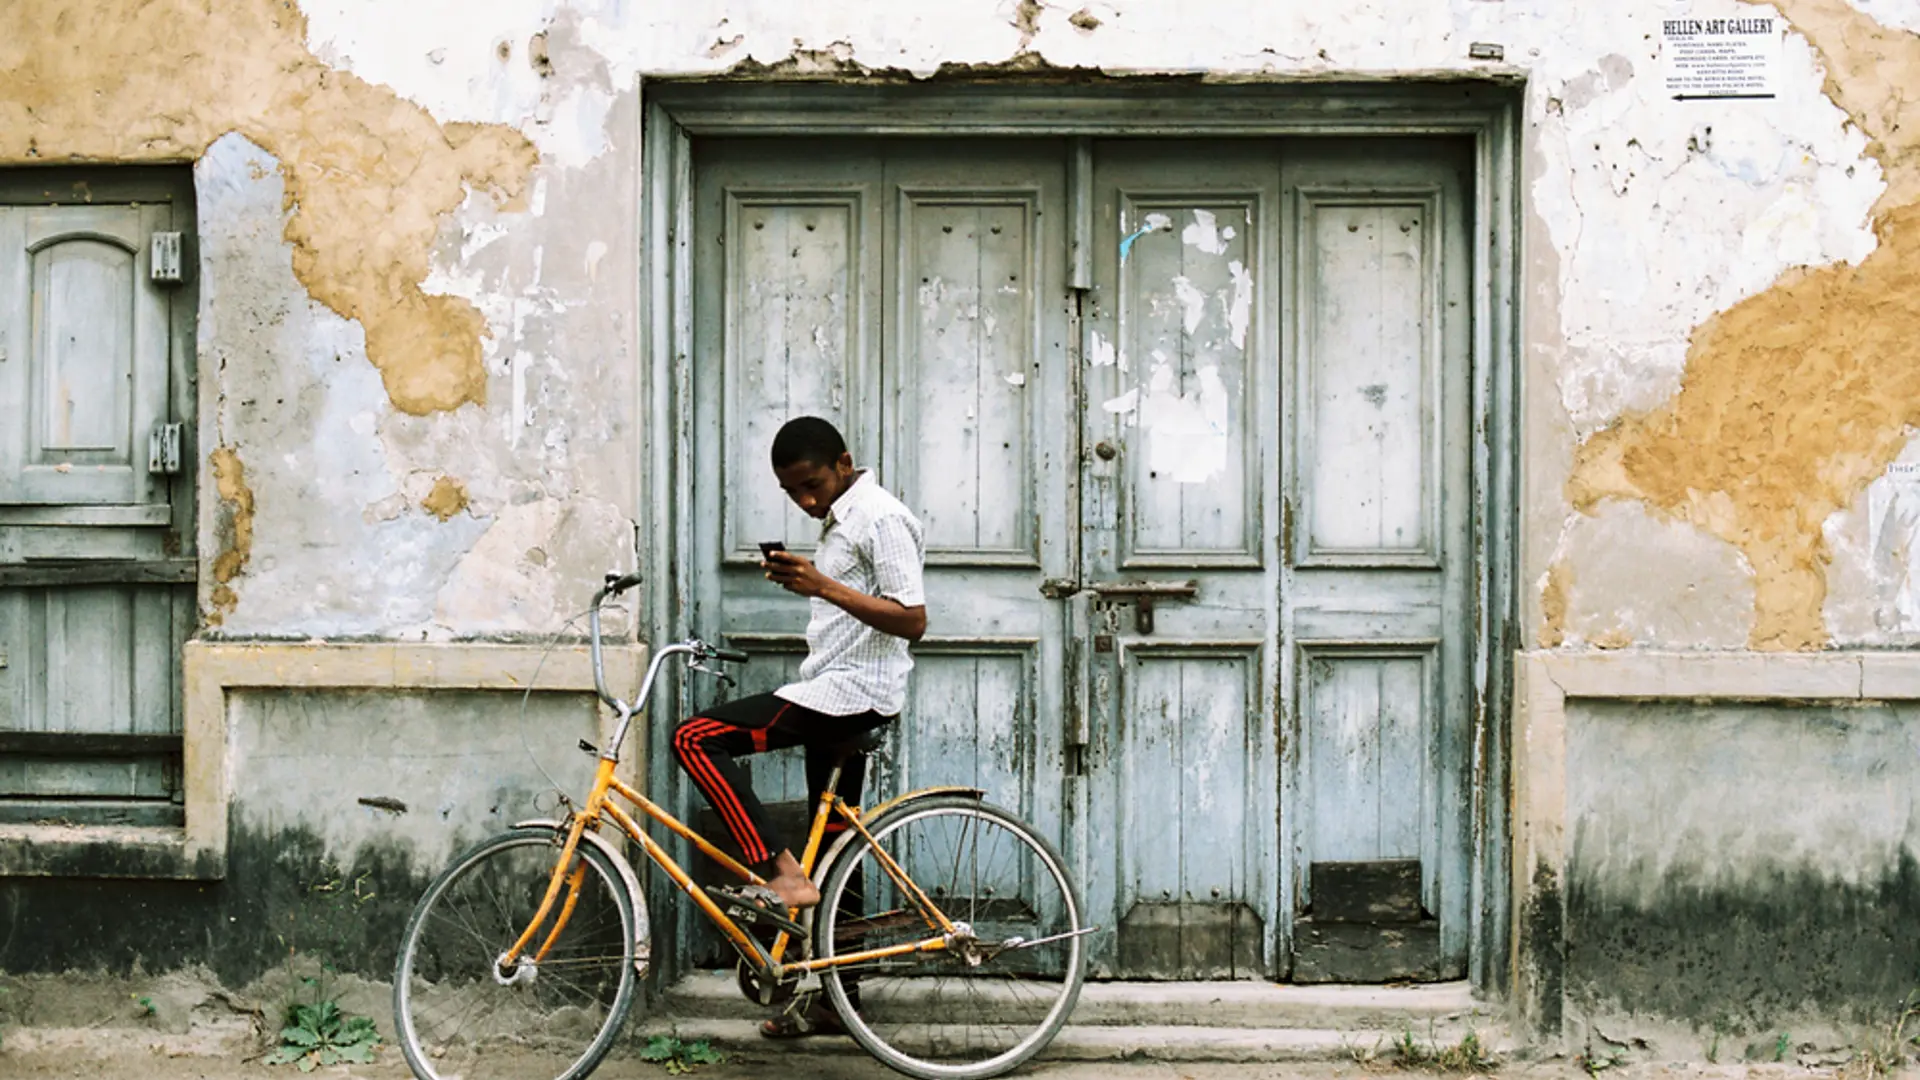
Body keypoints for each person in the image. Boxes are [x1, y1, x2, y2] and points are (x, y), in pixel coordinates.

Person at [672, 416, 927, 1016]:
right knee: (836, 849)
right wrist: (814, 584)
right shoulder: (841, 520)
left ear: (844, 462)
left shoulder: (879, 517)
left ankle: (779, 874)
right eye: (792, 493)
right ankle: (839, 1005)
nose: (806, 500)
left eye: (812, 484)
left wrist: (820, 585)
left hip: (848, 696)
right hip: (834, 689)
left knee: (696, 738)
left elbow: (912, 619)